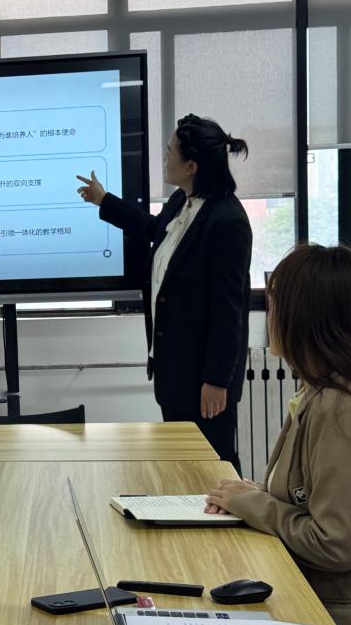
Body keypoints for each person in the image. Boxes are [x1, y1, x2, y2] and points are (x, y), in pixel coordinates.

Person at [204, 244, 351, 625]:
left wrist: (254, 505)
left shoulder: (340, 407)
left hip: (334, 619)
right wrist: (257, 494)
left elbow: (336, 543)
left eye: (273, 305)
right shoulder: (318, 389)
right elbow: (314, 499)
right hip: (309, 596)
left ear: (302, 316)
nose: (268, 318)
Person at [77, 114, 252, 469]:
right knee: (183, 466)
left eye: (170, 151)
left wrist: (217, 380)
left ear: (191, 166)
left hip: (204, 381)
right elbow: (154, 228)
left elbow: (229, 312)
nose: (165, 157)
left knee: (213, 466)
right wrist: (104, 200)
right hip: (173, 372)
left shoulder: (228, 222)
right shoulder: (181, 201)